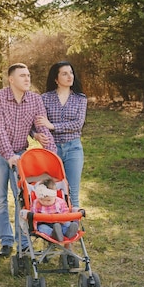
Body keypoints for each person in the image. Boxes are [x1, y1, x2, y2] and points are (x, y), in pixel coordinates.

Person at [0, 63, 56, 257]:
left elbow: (41, 128)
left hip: (21, 153)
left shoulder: (35, 99)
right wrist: (9, 156)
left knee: (23, 199)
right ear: (11, 79)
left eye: (28, 75)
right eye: (22, 76)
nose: (27, 79)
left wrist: (52, 156)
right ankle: (6, 241)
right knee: (0, 199)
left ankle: (23, 243)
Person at [35, 61, 87, 210]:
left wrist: (52, 126)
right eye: (64, 73)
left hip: (73, 148)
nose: (69, 76)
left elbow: (78, 124)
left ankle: (75, 228)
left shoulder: (80, 98)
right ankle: (56, 227)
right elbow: (35, 123)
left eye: (71, 73)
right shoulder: (44, 98)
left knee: (72, 191)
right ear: (56, 79)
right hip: (52, 149)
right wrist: (36, 135)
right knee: (52, 190)